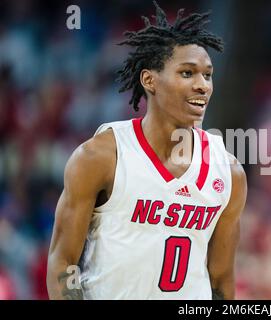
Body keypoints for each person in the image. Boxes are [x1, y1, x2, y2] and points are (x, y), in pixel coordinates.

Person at [46, 2, 247, 300]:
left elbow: (220, 281)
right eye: (188, 73)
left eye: (208, 75)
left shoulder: (228, 172)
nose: (202, 85)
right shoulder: (101, 156)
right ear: (149, 80)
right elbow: (63, 264)